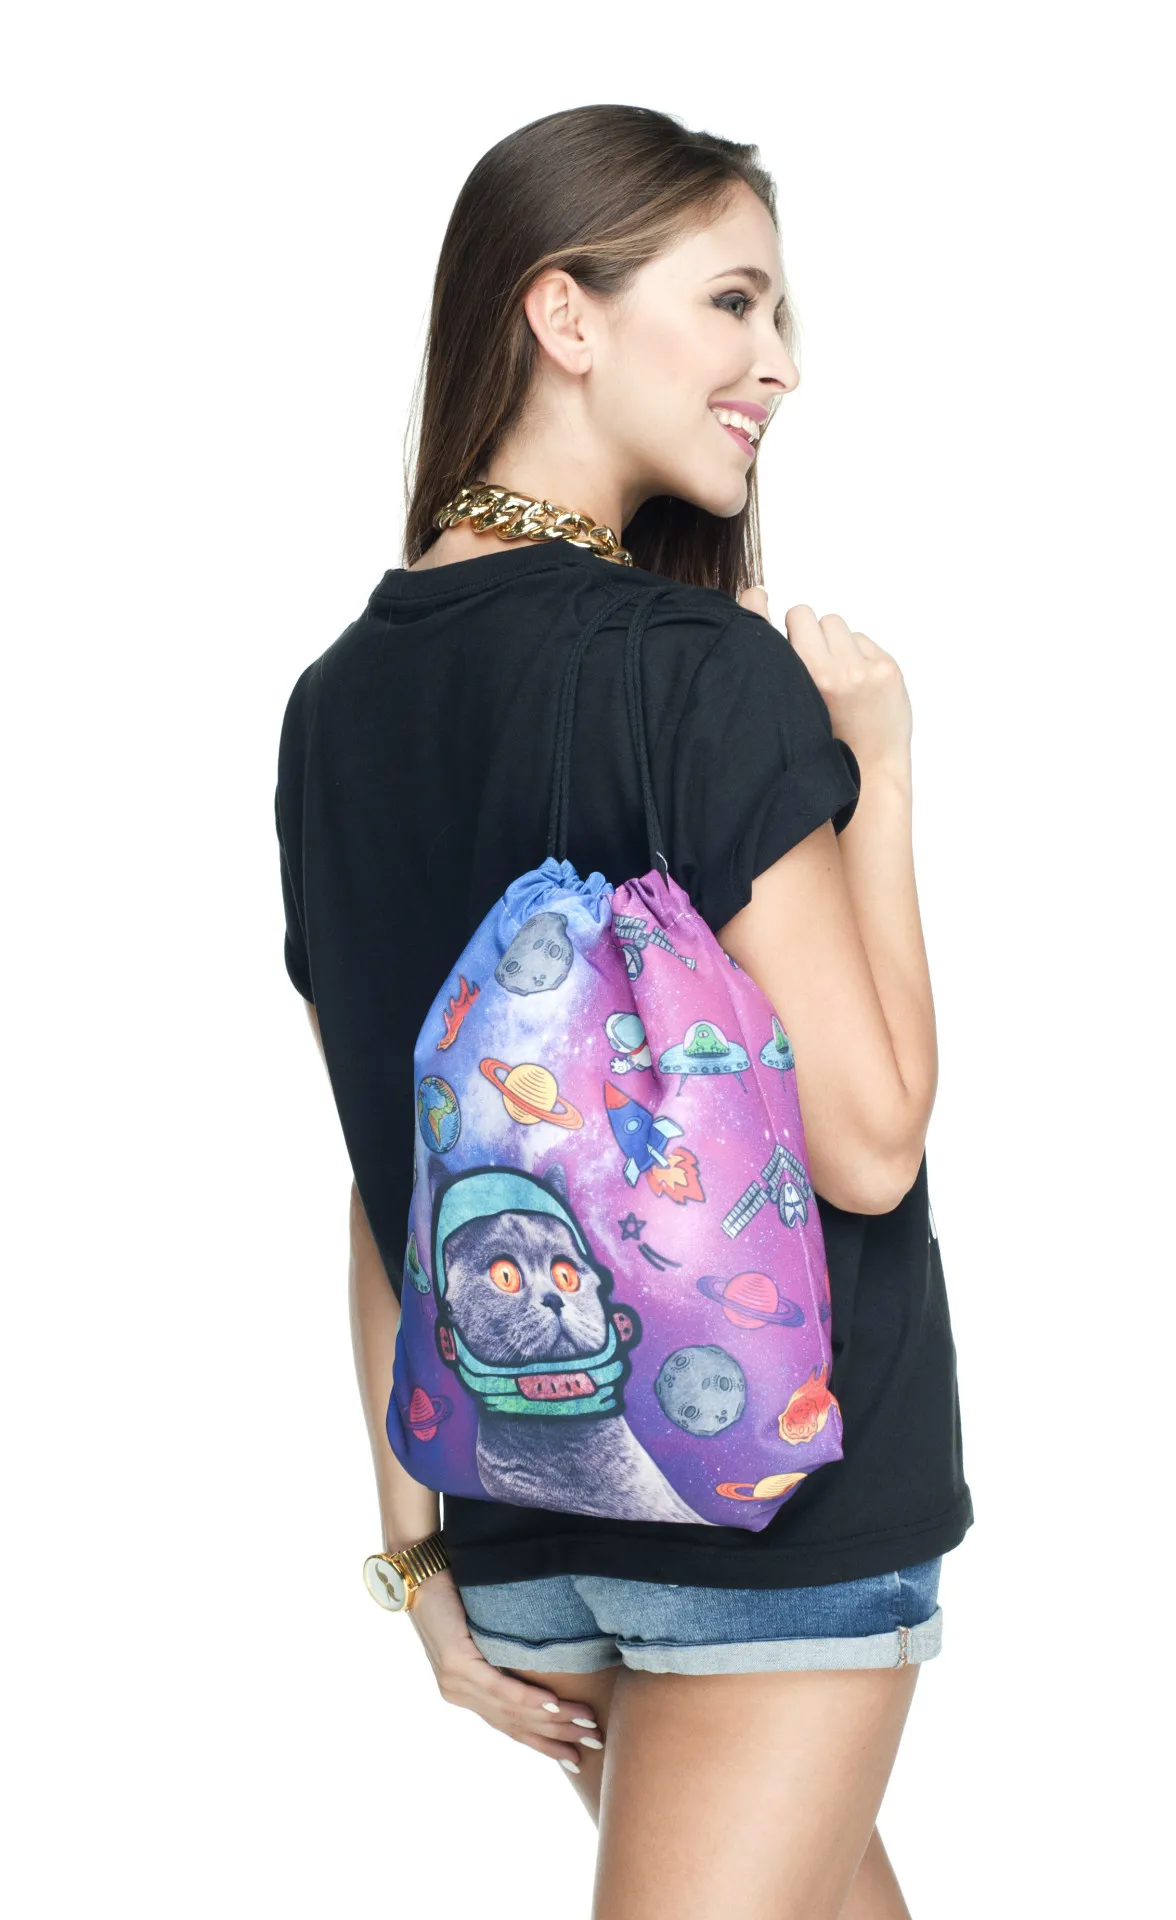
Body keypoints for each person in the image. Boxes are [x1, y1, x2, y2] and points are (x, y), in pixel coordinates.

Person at [273, 104, 972, 1920]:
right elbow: (871, 1144)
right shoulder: (696, 669)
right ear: (564, 315)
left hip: (523, 1504)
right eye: (734, 301)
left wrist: (418, 1560)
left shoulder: (333, 707)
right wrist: (883, 778)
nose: (779, 363)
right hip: (774, 1504)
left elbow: (395, 1164)